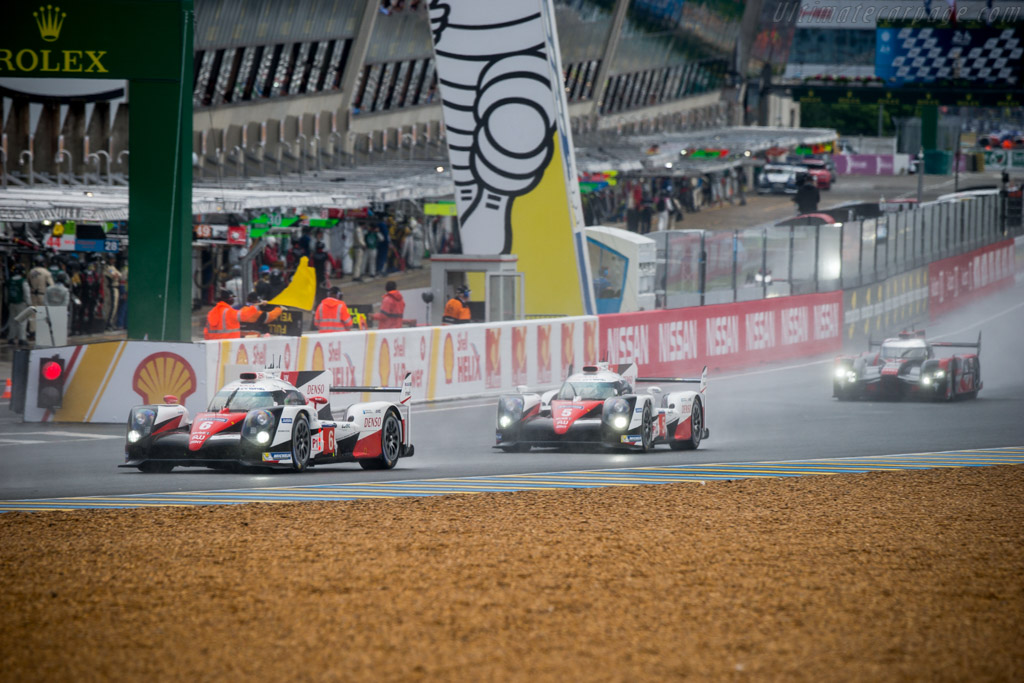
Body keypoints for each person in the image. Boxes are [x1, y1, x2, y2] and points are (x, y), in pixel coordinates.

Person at [7, 264, 31, 347]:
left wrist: (7, 302)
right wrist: (29, 303)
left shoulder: (10, 281)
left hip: (11, 303)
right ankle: (22, 339)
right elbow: (26, 293)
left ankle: (11, 338)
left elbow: (6, 293)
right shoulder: (23, 281)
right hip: (21, 303)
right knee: (22, 321)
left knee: (12, 321)